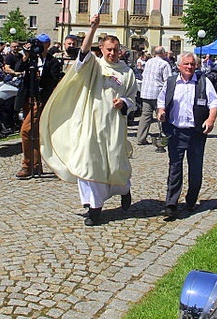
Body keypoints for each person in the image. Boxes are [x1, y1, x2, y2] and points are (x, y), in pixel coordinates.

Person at [39, 14, 137, 226]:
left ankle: (124, 189)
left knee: (115, 164)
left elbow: (133, 99)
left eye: (115, 49)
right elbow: (82, 54)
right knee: (88, 163)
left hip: (114, 126)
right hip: (90, 125)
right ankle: (94, 208)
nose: (112, 53)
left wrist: (125, 103)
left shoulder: (127, 73)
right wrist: (92, 28)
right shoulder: (94, 65)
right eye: (108, 49)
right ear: (101, 49)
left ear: (120, 50)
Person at [157, 52, 217, 219]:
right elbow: (161, 101)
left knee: (195, 168)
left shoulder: (203, 82)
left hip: (196, 132)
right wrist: (161, 111)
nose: (190, 67)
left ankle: (191, 200)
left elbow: (214, 102)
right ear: (179, 66)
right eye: (186, 64)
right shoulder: (171, 82)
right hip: (176, 131)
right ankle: (171, 204)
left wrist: (211, 119)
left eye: (192, 64)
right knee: (175, 167)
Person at [14, 34, 62, 179]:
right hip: (27, 97)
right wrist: (26, 56)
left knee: (26, 130)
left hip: (40, 99)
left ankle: (27, 165)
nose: (38, 46)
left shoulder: (52, 62)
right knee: (33, 133)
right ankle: (35, 165)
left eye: (41, 44)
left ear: (48, 45)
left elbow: (53, 80)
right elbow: (18, 68)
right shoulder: (30, 58)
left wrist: (41, 76)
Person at [136, 46, 172, 145]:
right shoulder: (164, 64)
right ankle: (164, 136)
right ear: (163, 53)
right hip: (158, 93)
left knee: (145, 116)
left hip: (146, 92)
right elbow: (168, 80)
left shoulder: (148, 62)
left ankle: (141, 137)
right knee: (162, 115)